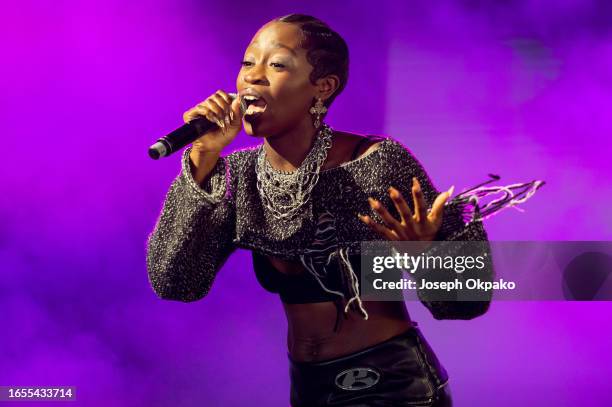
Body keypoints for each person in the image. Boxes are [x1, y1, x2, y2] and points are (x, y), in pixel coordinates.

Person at [146, 14, 493, 407]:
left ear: (322, 88)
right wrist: (203, 155)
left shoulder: (375, 163)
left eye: (276, 64)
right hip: (308, 387)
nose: (253, 78)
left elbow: (467, 303)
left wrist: (429, 256)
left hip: (392, 383)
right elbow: (175, 282)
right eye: (247, 63)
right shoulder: (239, 178)